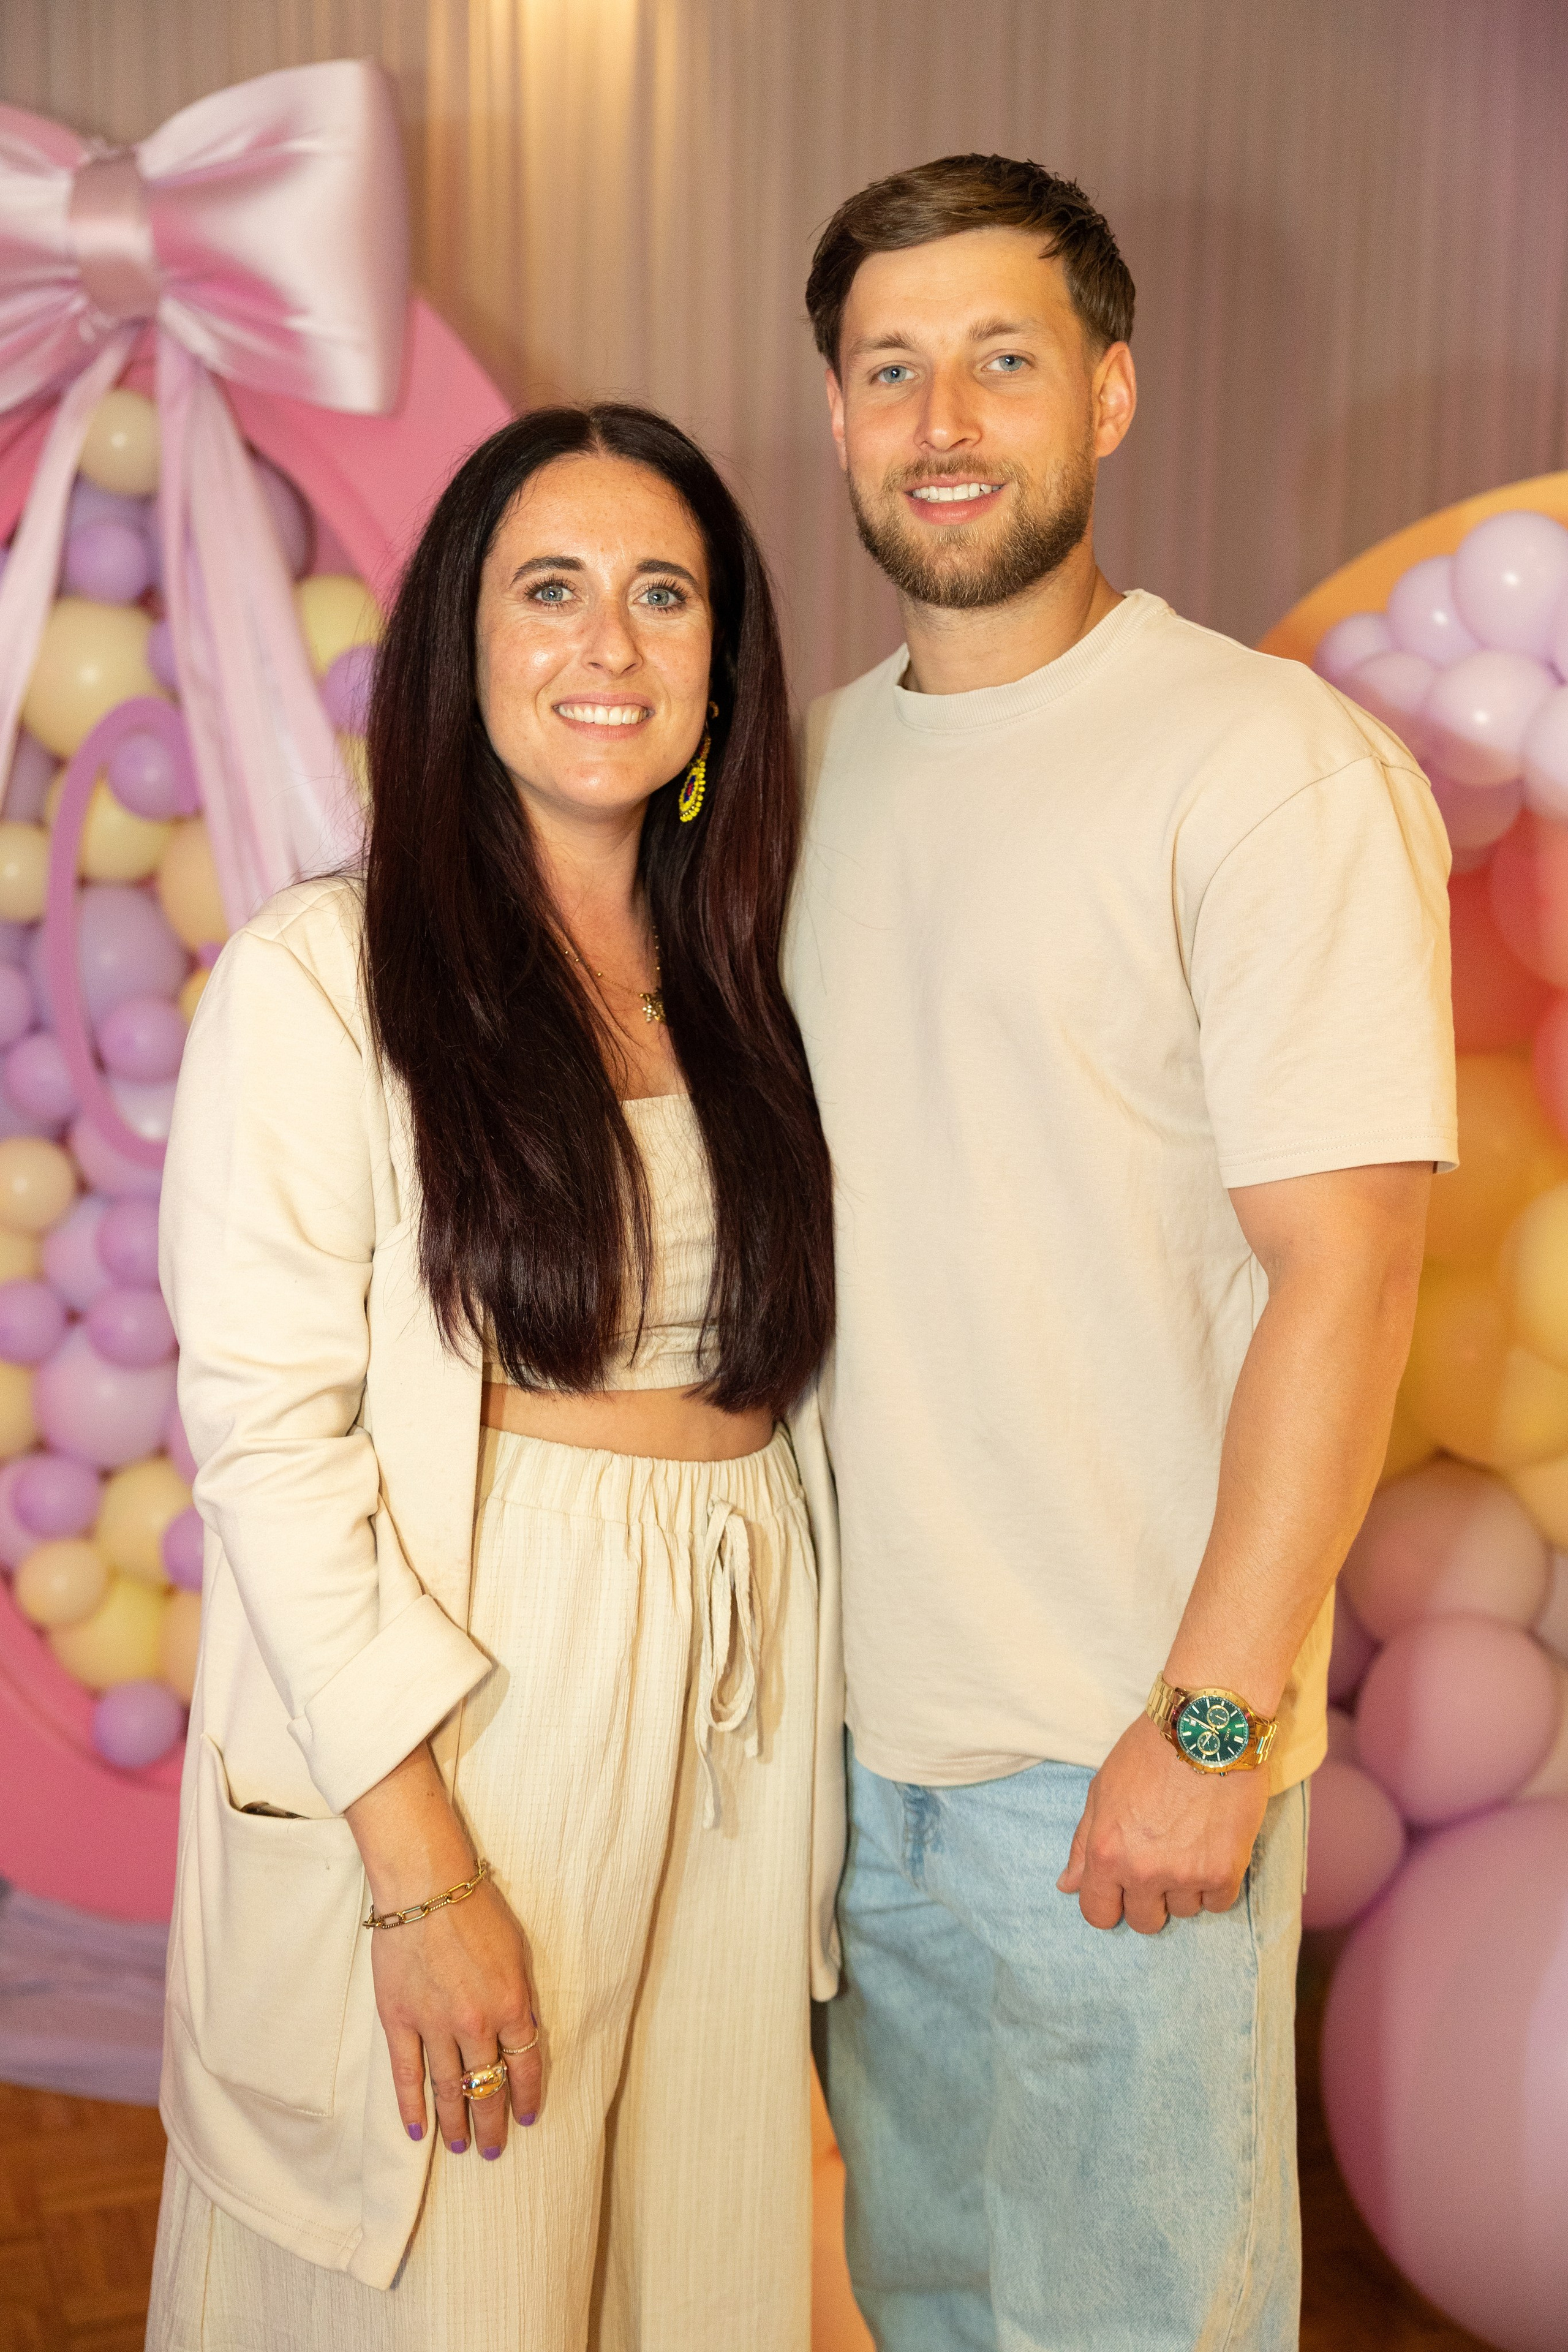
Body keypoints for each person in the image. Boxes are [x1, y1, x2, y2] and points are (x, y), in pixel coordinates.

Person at [789, 154, 1457, 2351]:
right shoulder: (807, 777)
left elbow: (1348, 1277)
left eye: (1002, 356)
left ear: (1113, 391)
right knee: (934, 2305)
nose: (945, 415)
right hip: (857, 1760)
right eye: (892, 368)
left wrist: (1207, 1722)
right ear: (839, 419)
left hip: (1116, 1761)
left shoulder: (1263, 766)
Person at [145, 403, 842, 2352]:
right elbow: (272, 1450)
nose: (607, 646)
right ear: (461, 643)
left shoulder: (752, 980)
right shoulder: (323, 977)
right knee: (458, 2277)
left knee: (686, 2275)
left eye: (663, 595)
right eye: (550, 591)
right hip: (480, 1701)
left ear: (725, 662)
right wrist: (421, 1869)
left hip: (731, 1707)